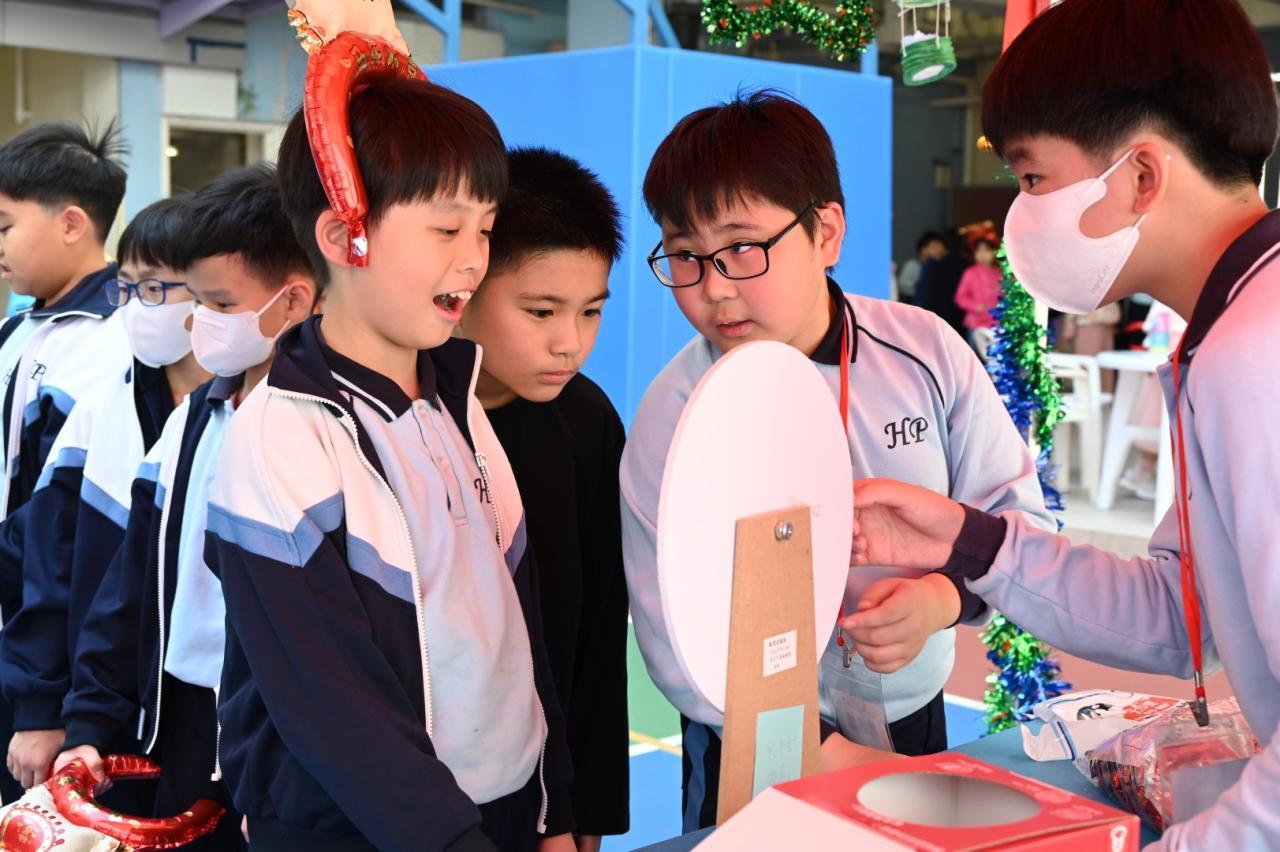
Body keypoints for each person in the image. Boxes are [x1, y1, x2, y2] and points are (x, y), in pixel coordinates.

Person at [846, 1, 1280, 848]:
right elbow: (1183, 611)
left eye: (1033, 179)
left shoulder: (1255, 354)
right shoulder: (1228, 331)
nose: (1022, 213)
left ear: (1142, 175)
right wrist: (971, 541)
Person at [621, 89, 1056, 831]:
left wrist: (943, 599)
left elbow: (1019, 521)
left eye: (743, 248)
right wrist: (816, 749)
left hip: (909, 708)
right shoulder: (675, 413)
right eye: (686, 256)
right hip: (746, 741)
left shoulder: (924, 352)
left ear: (825, 232)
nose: (714, 289)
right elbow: (672, 640)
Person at [205, 79, 575, 851]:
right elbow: (331, 703)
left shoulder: (458, 403)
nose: (474, 260)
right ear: (344, 237)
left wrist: (552, 809)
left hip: (501, 811)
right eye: (446, 229)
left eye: (485, 228)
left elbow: (519, 628)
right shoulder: (279, 433)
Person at [58, 164, 316, 850]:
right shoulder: (195, 418)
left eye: (221, 303)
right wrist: (90, 723)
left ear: (295, 299)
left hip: (284, 742)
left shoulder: (323, 428)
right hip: (182, 715)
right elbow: (131, 584)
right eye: (197, 299)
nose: (201, 321)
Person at [0, 197, 210, 796]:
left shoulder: (246, 411)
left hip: (200, 724)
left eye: (155, 289)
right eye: (126, 288)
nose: (135, 308)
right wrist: (41, 703)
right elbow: (48, 561)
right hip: (93, 716)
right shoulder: (107, 407)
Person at [457, 147, 629, 850]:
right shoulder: (414, 422)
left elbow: (599, 634)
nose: (570, 343)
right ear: (465, 283)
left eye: (591, 312)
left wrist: (588, 808)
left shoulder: (588, 420)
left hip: (548, 794)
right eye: (540, 311)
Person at [0, 121, 132, 801]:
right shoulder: (22, 326)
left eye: (3, 226)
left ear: (73, 223)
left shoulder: (109, 345)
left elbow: (59, 539)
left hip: (39, 669)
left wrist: (42, 700)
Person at [953, 231, 1002, 337]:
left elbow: (1005, 295)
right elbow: (960, 297)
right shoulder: (970, 273)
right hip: (976, 323)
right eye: (978, 250)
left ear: (994, 252)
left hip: (997, 322)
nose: (982, 254)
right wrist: (975, 306)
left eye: (987, 250)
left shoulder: (999, 273)